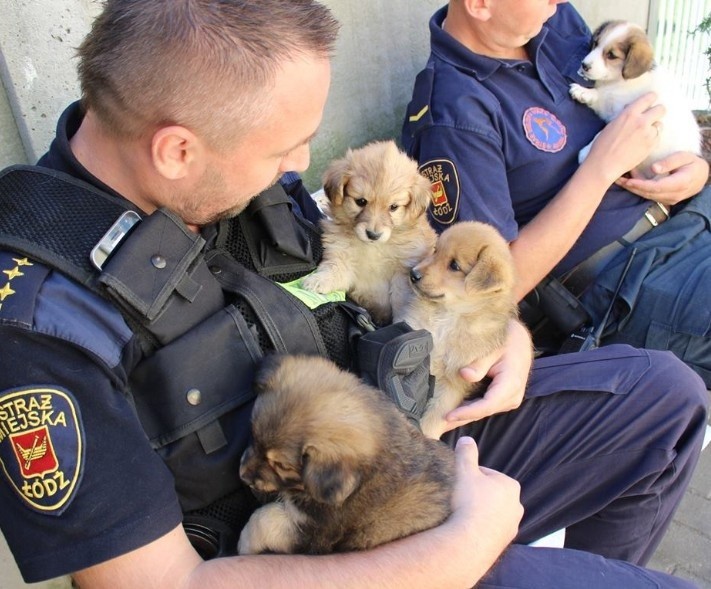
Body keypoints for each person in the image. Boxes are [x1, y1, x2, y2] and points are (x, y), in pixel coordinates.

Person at [0, 1, 707, 588]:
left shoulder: (212, 165)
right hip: (305, 540)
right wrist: (459, 550)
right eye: (285, 147)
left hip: (394, 427)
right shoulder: (42, 328)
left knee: (665, 400)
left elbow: (405, 260)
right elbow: (161, 584)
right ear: (177, 150)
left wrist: (501, 332)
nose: (304, 166)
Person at [401, 0, 711, 386]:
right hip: (625, 275)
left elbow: (634, 97)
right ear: (481, 4)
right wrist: (600, 169)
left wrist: (695, 166)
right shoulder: (456, 116)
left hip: (690, 212)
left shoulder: (552, 20)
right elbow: (491, 285)